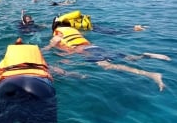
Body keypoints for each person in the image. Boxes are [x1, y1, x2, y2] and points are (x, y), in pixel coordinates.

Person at [0, 38, 83, 123]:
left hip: (8, 86)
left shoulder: (3, 62)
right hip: (39, 87)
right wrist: (81, 76)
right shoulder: (42, 65)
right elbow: (64, 73)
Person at [43, 25, 171, 91]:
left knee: (107, 66)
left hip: (85, 52)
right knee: (130, 58)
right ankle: (145, 55)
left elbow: (49, 48)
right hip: (95, 47)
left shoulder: (57, 37)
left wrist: (40, 50)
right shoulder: (74, 33)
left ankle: (152, 74)